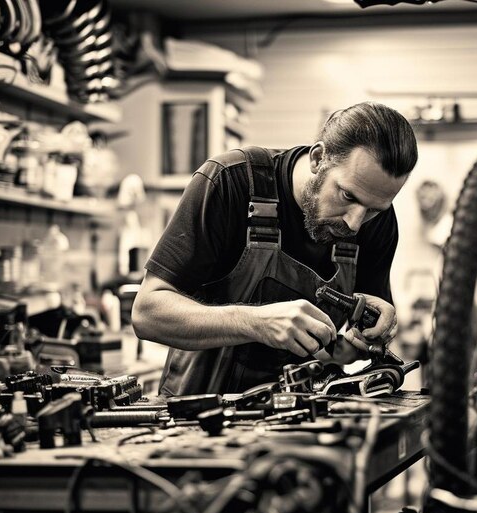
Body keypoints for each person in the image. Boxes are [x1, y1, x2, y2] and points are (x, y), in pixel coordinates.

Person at [132, 101, 418, 395]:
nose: (356, 224)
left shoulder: (377, 220)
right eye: (347, 195)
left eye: (374, 210)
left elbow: (349, 348)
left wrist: (361, 342)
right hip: (198, 416)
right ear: (318, 159)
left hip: (301, 419)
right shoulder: (230, 181)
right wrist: (255, 322)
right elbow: (147, 314)